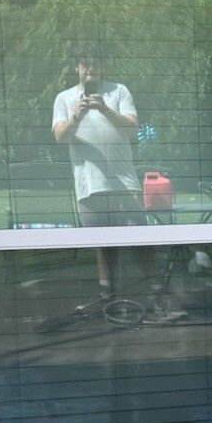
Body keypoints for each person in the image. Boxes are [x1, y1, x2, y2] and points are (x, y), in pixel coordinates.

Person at [51, 50, 142, 294]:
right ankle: (107, 298)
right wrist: (77, 117)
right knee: (102, 246)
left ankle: (150, 296)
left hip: (125, 182)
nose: (90, 67)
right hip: (89, 184)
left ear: (104, 65)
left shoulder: (119, 91)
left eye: (95, 62)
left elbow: (132, 129)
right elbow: (60, 136)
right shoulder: (64, 98)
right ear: (77, 67)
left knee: (140, 242)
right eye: (85, 63)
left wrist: (105, 109)